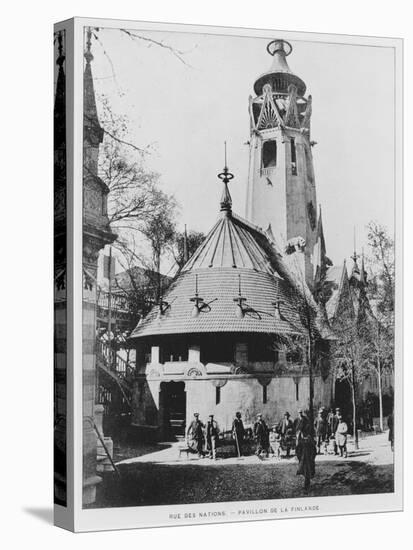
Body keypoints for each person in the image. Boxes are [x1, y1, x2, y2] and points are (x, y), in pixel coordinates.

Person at [296, 424, 317, 492]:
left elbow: (314, 449)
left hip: (309, 459)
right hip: (303, 459)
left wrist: (312, 457)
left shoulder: (309, 440)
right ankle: (306, 484)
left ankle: (306, 486)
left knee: (307, 472)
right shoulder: (301, 440)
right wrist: (299, 457)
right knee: (305, 472)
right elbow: (298, 450)